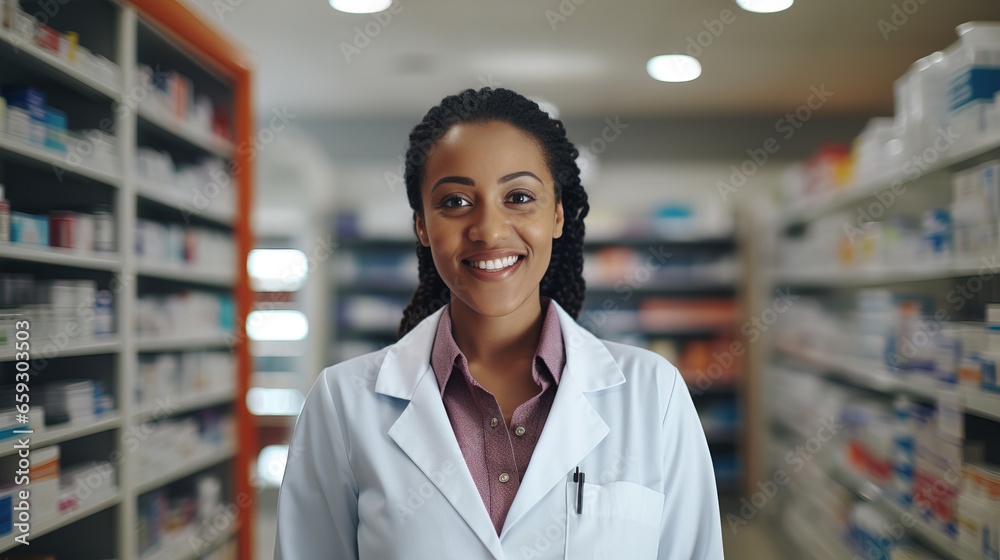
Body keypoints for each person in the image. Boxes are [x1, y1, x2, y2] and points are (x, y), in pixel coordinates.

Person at [274, 87, 724, 559]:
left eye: (519, 196)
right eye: (454, 202)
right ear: (422, 226)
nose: (488, 230)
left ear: (556, 216)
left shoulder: (654, 394)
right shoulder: (343, 403)